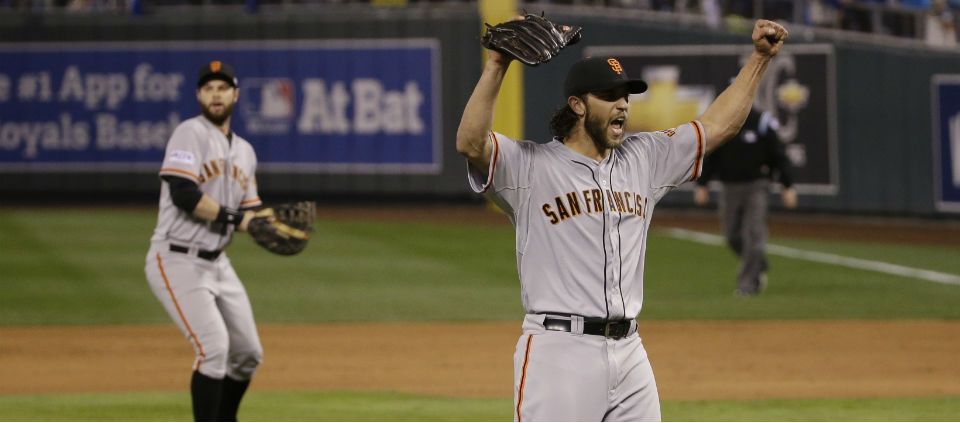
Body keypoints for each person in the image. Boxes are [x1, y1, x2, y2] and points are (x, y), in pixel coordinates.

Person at [456, 18, 787, 422]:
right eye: (609, 95)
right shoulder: (530, 166)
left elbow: (717, 126)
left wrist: (759, 58)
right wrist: (497, 65)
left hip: (630, 352)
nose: (623, 104)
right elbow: (470, 142)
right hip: (560, 353)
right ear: (578, 105)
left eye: (626, 95)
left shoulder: (644, 157)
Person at [144, 60, 264, 422]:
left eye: (222, 88)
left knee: (247, 354)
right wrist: (237, 218)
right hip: (176, 258)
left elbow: (249, 212)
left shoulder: (245, 152)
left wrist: (268, 226)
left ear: (235, 95)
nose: (216, 94)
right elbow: (183, 193)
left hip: (218, 262)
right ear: (198, 95)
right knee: (213, 350)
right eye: (208, 88)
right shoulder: (189, 133)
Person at [693, 107, 797, 297]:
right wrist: (703, 183)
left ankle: (747, 285)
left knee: (754, 234)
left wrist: (787, 185)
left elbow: (777, 153)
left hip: (756, 185)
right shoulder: (725, 121)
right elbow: (713, 153)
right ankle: (758, 263)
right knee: (731, 235)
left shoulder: (761, 121)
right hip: (729, 186)